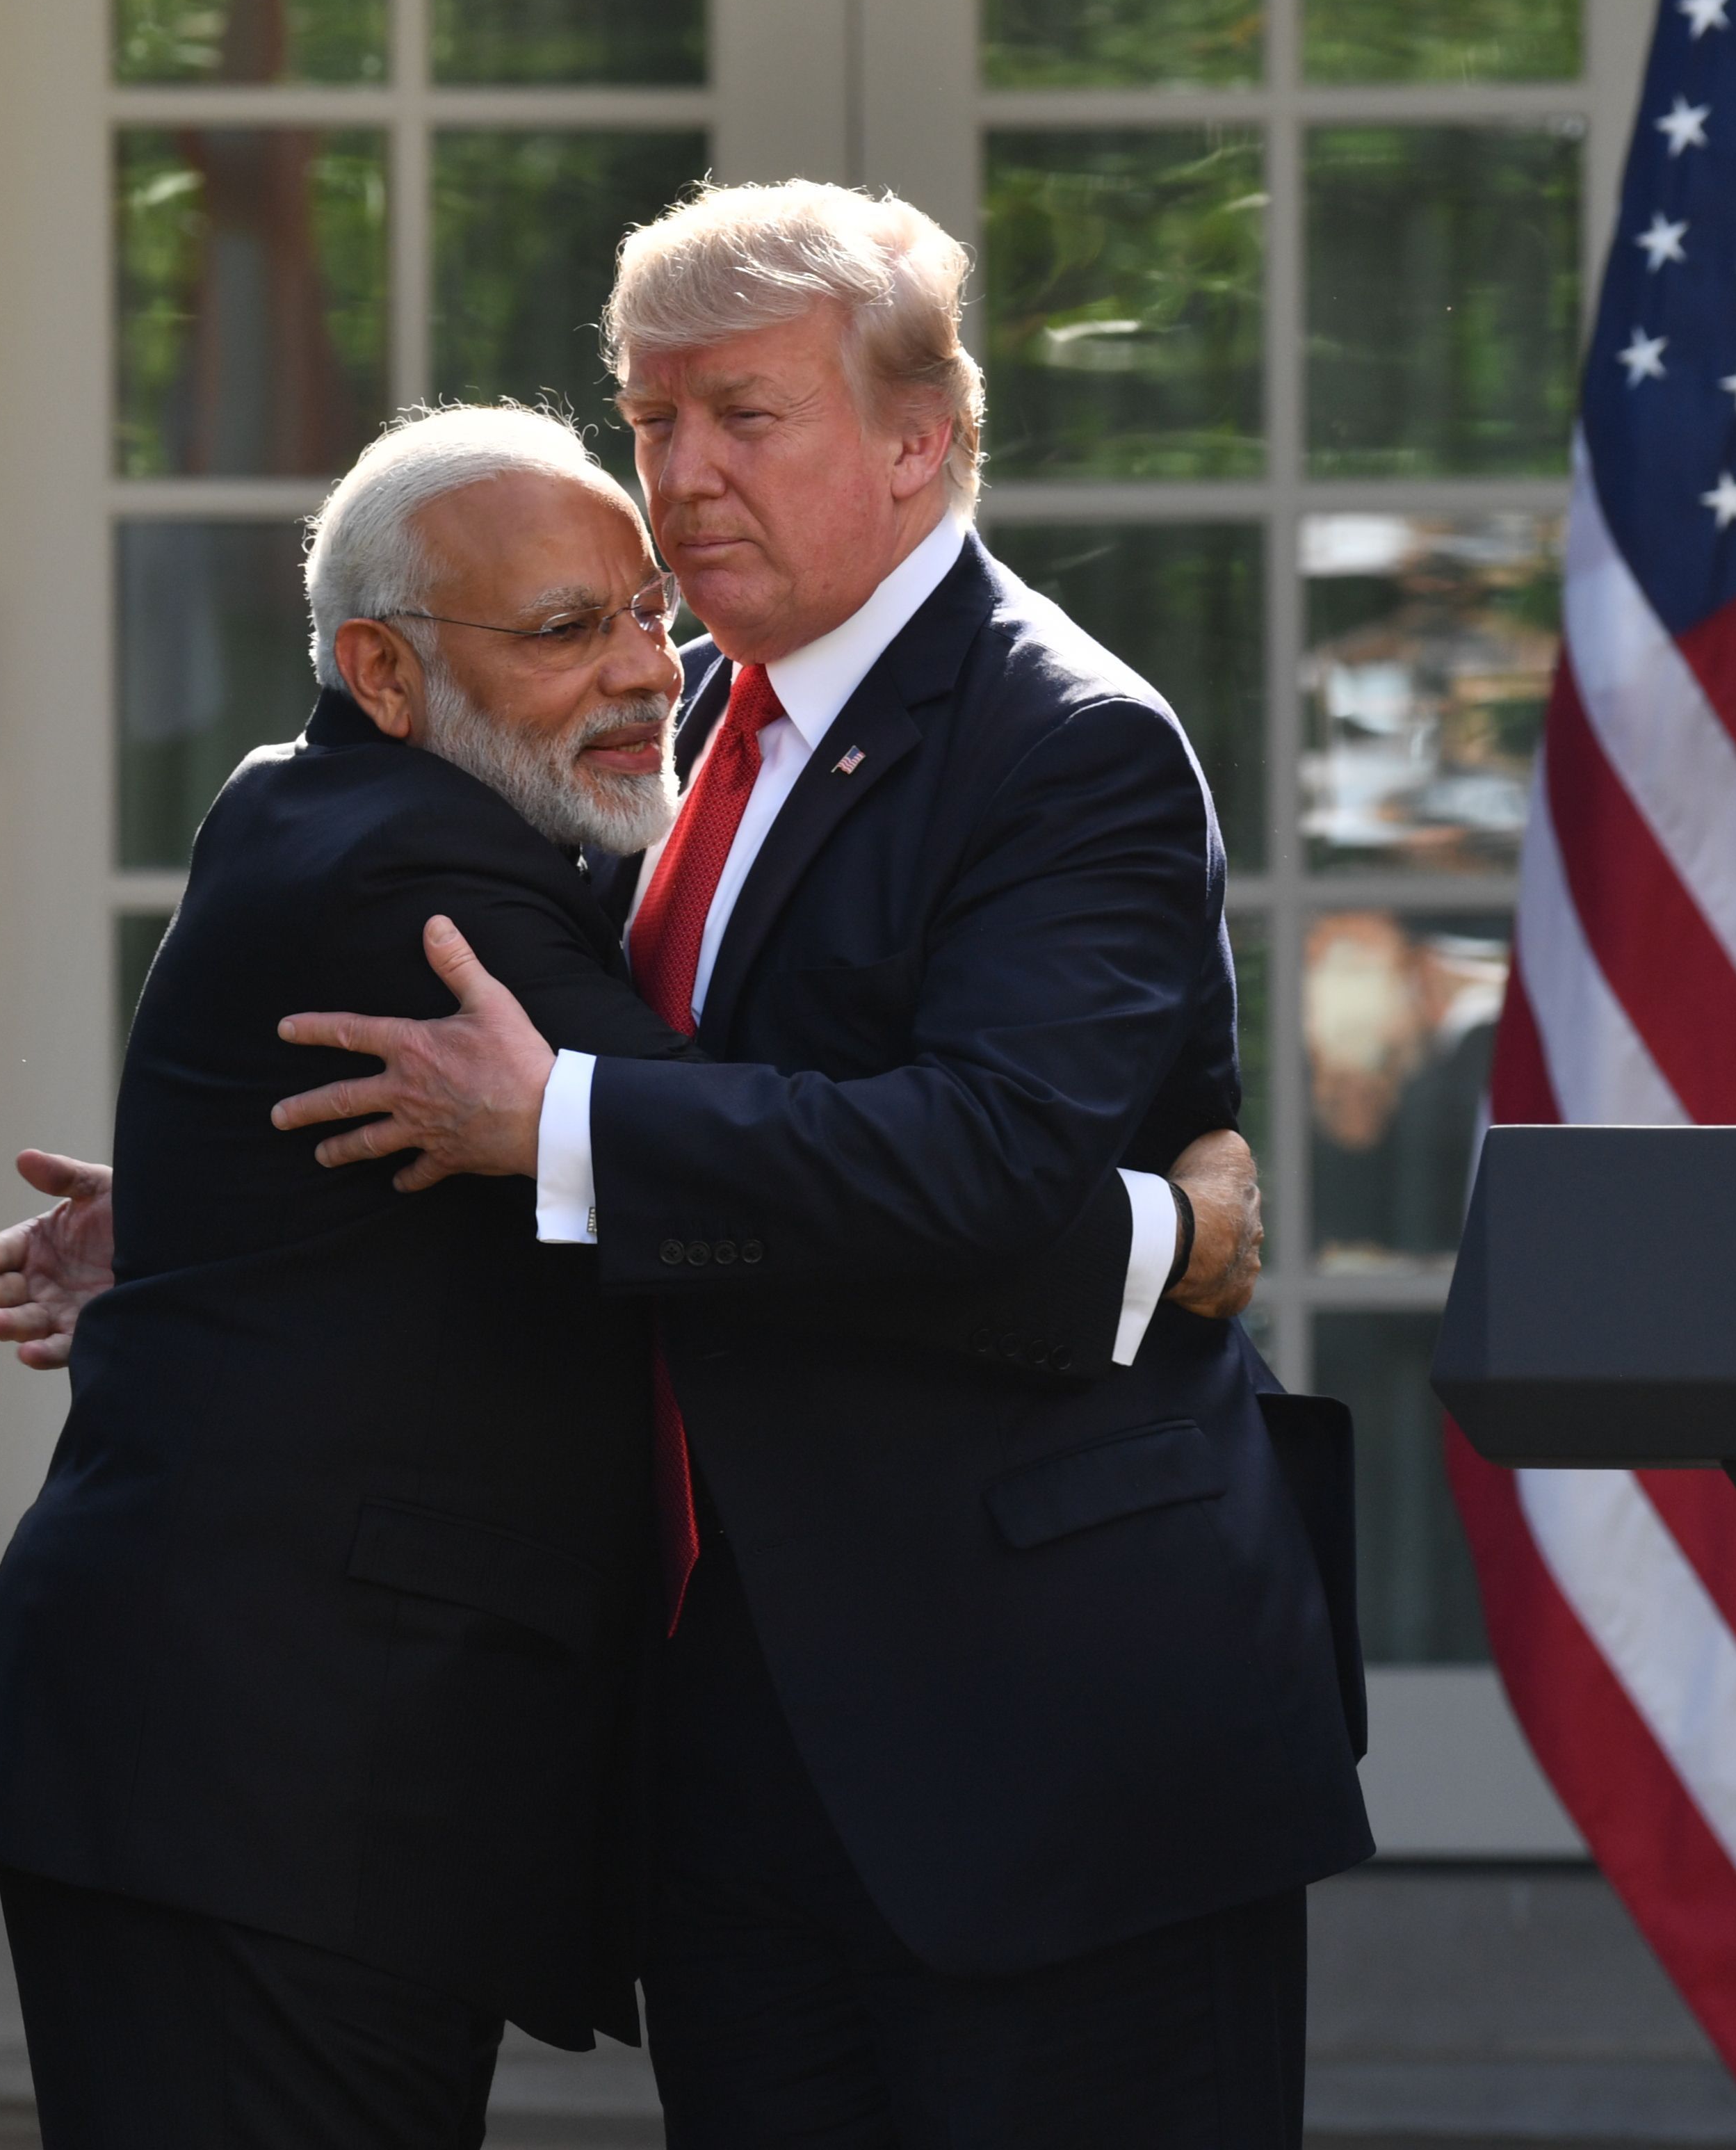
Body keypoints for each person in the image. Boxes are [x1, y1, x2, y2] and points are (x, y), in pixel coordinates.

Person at [0, 406, 1262, 2147]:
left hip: (288, 1776)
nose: (650, 673)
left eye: (650, 611)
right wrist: (1161, 1238)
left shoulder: (373, 799)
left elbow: (575, 1180)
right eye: (570, 632)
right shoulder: (411, 866)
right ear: (384, 672)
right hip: (265, 1780)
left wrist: (203, 1226)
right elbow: (704, 1149)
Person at [261, 183, 1372, 2147]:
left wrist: (566, 1127)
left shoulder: (1069, 742)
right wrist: (202, 1223)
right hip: (734, 1731)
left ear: (918, 443)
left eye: (743, 418)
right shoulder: (677, 722)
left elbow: (986, 1152)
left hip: (1042, 1752)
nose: (679, 481)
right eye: (650, 420)